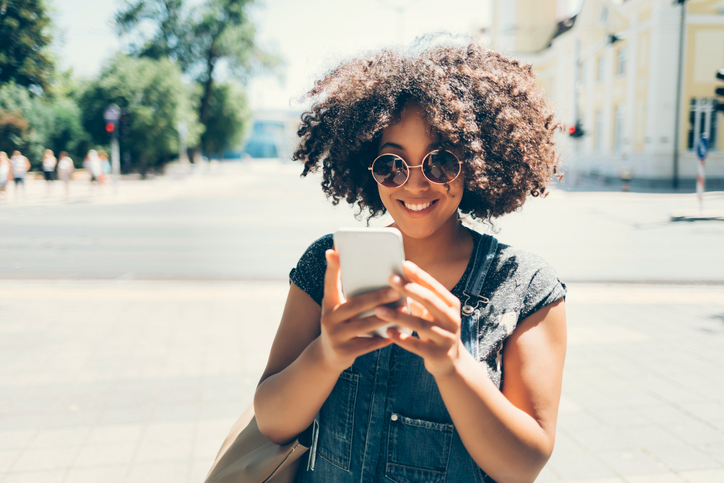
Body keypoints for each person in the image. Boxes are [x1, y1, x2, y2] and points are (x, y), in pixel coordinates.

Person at [253, 42, 567, 483]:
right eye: (392, 164)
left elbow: (523, 466)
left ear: (477, 163)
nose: (416, 184)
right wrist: (328, 353)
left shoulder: (524, 284)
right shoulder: (328, 265)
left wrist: (453, 362)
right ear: (368, 166)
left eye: (440, 161)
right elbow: (271, 421)